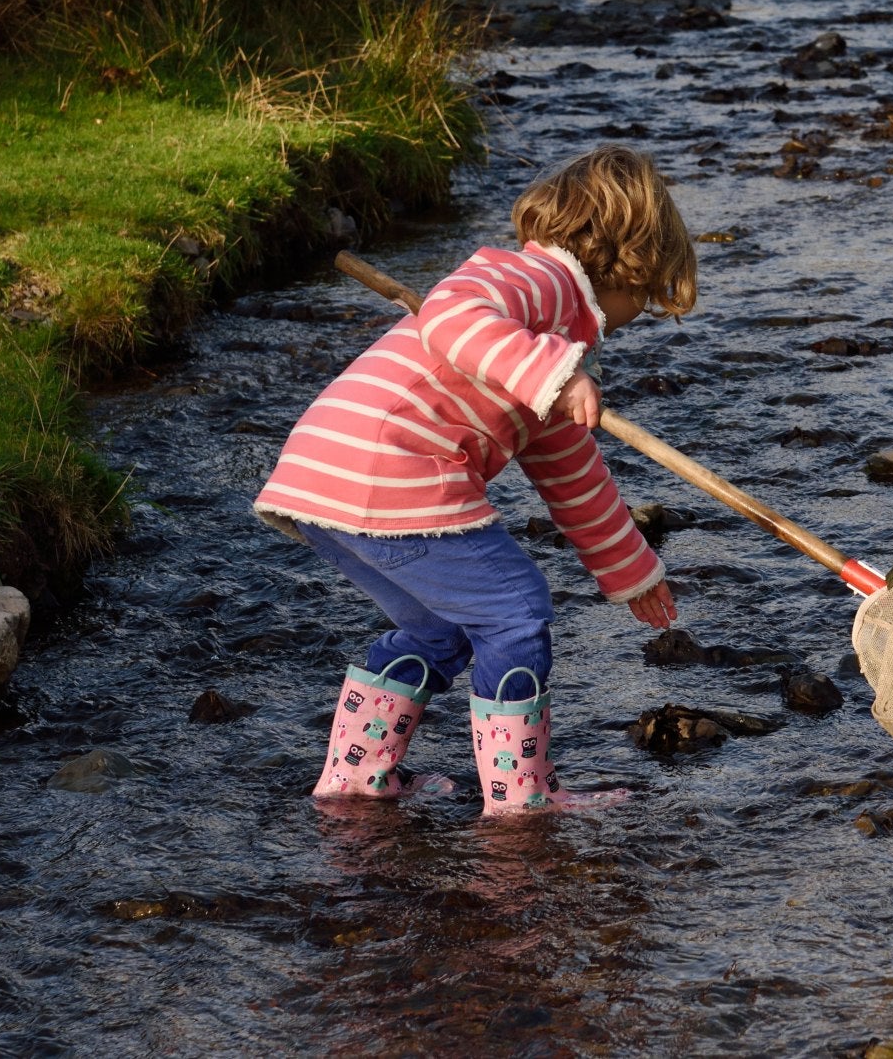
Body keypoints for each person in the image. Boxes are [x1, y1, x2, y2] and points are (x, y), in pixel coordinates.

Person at [257, 145, 691, 815]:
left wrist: (632, 569)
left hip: (325, 476)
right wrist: (559, 370)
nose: (638, 314)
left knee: (442, 627)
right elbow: (453, 315)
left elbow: (571, 473)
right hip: (390, 468)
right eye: (648, 294)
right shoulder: (532, 283)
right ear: (627, 265)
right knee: (515, 612)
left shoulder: (547, 359)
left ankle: (355, 779)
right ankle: (522, 797)